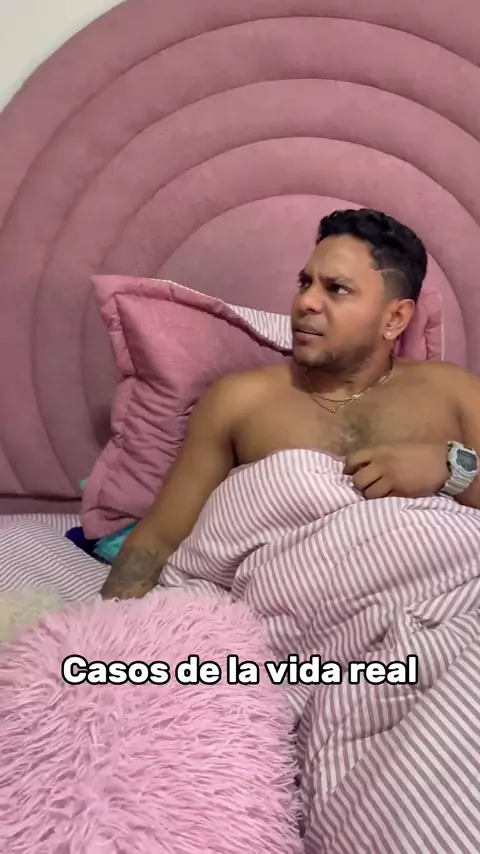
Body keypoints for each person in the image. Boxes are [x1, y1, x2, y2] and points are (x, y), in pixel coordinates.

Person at [100, 208, 480, 600]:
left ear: (395, 318)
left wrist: (453, 470)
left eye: (337, 289)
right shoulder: (240, 401)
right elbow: (159, 540)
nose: (306, 302)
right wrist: (109, 624)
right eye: (305, 283)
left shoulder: (451, 392)